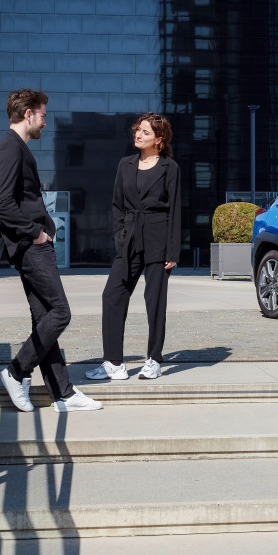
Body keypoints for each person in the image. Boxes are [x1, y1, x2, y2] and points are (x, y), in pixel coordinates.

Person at [0, 89, 101, 413]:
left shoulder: (15, 148)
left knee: (44, 319)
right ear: (28, 114)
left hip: (30, 245)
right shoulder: (11, 149)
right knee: (61, 313)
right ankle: (16, 372)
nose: (45, 123)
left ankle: (62, 393)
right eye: (43, 115)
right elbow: (0, 202)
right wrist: (35, 232)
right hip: (30, 247)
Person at [87, 113, 181, 382]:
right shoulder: (125, 164)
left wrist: (172, 251)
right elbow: (117, 204)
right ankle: (114, 363)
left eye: (145, 132)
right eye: (137, 130)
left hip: (158, 239)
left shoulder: (170, 168)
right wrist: (119, 235)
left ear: (159, 139)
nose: (138, 135)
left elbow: (175, 210)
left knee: (155, 303)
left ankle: (154, 360)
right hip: (128, 239)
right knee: (112, 296)